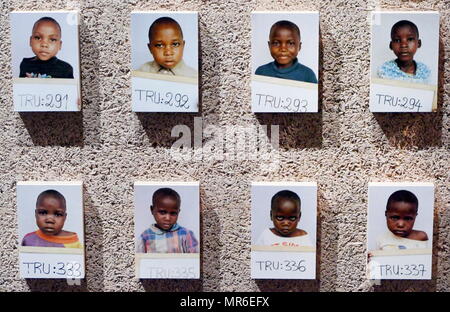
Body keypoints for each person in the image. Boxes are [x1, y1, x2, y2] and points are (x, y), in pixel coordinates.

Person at [137, 188, 199, 253]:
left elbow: (195, 260)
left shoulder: (186, 234)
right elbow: (139, 261)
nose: (168, 218)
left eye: (173, 213)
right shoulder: (145, 237)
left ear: (178, 212)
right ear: (152, 210)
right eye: (162, 212)